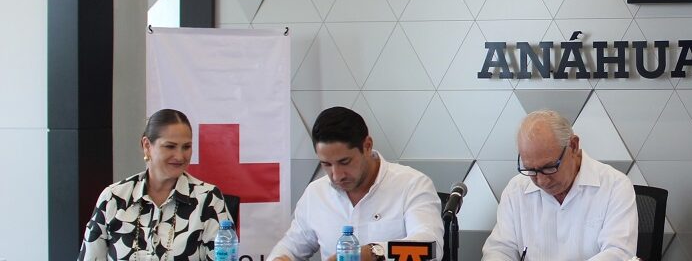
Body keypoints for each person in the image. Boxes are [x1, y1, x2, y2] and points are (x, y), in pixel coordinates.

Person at [269, 107, 443, 261]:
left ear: (367, 146)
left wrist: (374, 252)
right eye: (326, 164)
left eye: (344, 162)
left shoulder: (412, 184)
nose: (336, 176)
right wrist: (280, 258)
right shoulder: (315, 193)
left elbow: (430, 247)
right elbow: (290, 247)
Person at [481, 110, 638, 261]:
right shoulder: (516, 189)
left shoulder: (615, 186)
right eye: (531, 170)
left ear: (573, 146)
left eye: (549, 167)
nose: (541, 181)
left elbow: (619, 253)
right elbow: (500, 249)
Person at [80, 109, 233, 260]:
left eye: (186, 147)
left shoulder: (208, 198)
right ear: (147, 145)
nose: (180, 156)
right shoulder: (113, 198)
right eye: (170, 146)